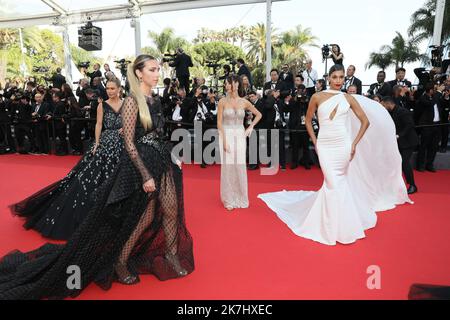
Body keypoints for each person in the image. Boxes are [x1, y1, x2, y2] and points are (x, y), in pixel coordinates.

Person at [0, 55, 194, 300]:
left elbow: (158, 133)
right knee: (144, 218)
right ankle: (120, 261)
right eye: (152, 69)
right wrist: (145, 175)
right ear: (139, 74)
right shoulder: (132, 102)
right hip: (141, 164)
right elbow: (129, 144)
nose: (157, 73)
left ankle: (171, 254)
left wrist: (173, 156)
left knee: (171, 210)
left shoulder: (155, 99)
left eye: (158, 69)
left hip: (161, 159)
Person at [258, 65, 412, 246]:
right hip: (325, 146)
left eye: (341, 77)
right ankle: (332, 226)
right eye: (335, 77)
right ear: (329, 78)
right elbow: (308, 120)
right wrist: (315, 141)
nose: (338, 80)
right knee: (333, 183)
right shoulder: (317, 96)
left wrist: (353, 143)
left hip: (343, 146)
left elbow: (365, 121)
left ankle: (341, 224)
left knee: (337, 184)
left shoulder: (347, 98)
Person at [9, 78, 125, 240]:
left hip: (123, 143)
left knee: (120, 176)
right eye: (108, 89)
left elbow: (132, 121)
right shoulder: (102, 105)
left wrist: (125, 127)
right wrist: (97, 143)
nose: (110, 91)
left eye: (113, 88)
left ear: (120, 89)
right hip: (106, 142)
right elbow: (99, 125)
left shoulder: (127, 104)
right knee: (93, 177)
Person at [217, 75, 261, 211]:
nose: (226, 86)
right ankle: (228, 198)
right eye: (226, 84)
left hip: (240, 135)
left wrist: (250, 127)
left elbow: (259, 114)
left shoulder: (244, 102)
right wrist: (224, 140)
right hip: (226, 134)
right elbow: (219, 122)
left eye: (228, 83)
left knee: (240, 166)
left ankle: (241, 196)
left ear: (236, 84)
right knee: (228, 167)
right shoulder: (222, 101)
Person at [381, 96, 419, 194]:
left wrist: (399, 135)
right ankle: (396, 184)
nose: (383, 107)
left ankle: (412, 185)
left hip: (409, 142)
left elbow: (409, 125)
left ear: (388, 103)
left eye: (384, 105)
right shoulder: (390, 112)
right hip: (399, 143)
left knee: (404, 163)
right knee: (396, 163)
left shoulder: (403, 111)